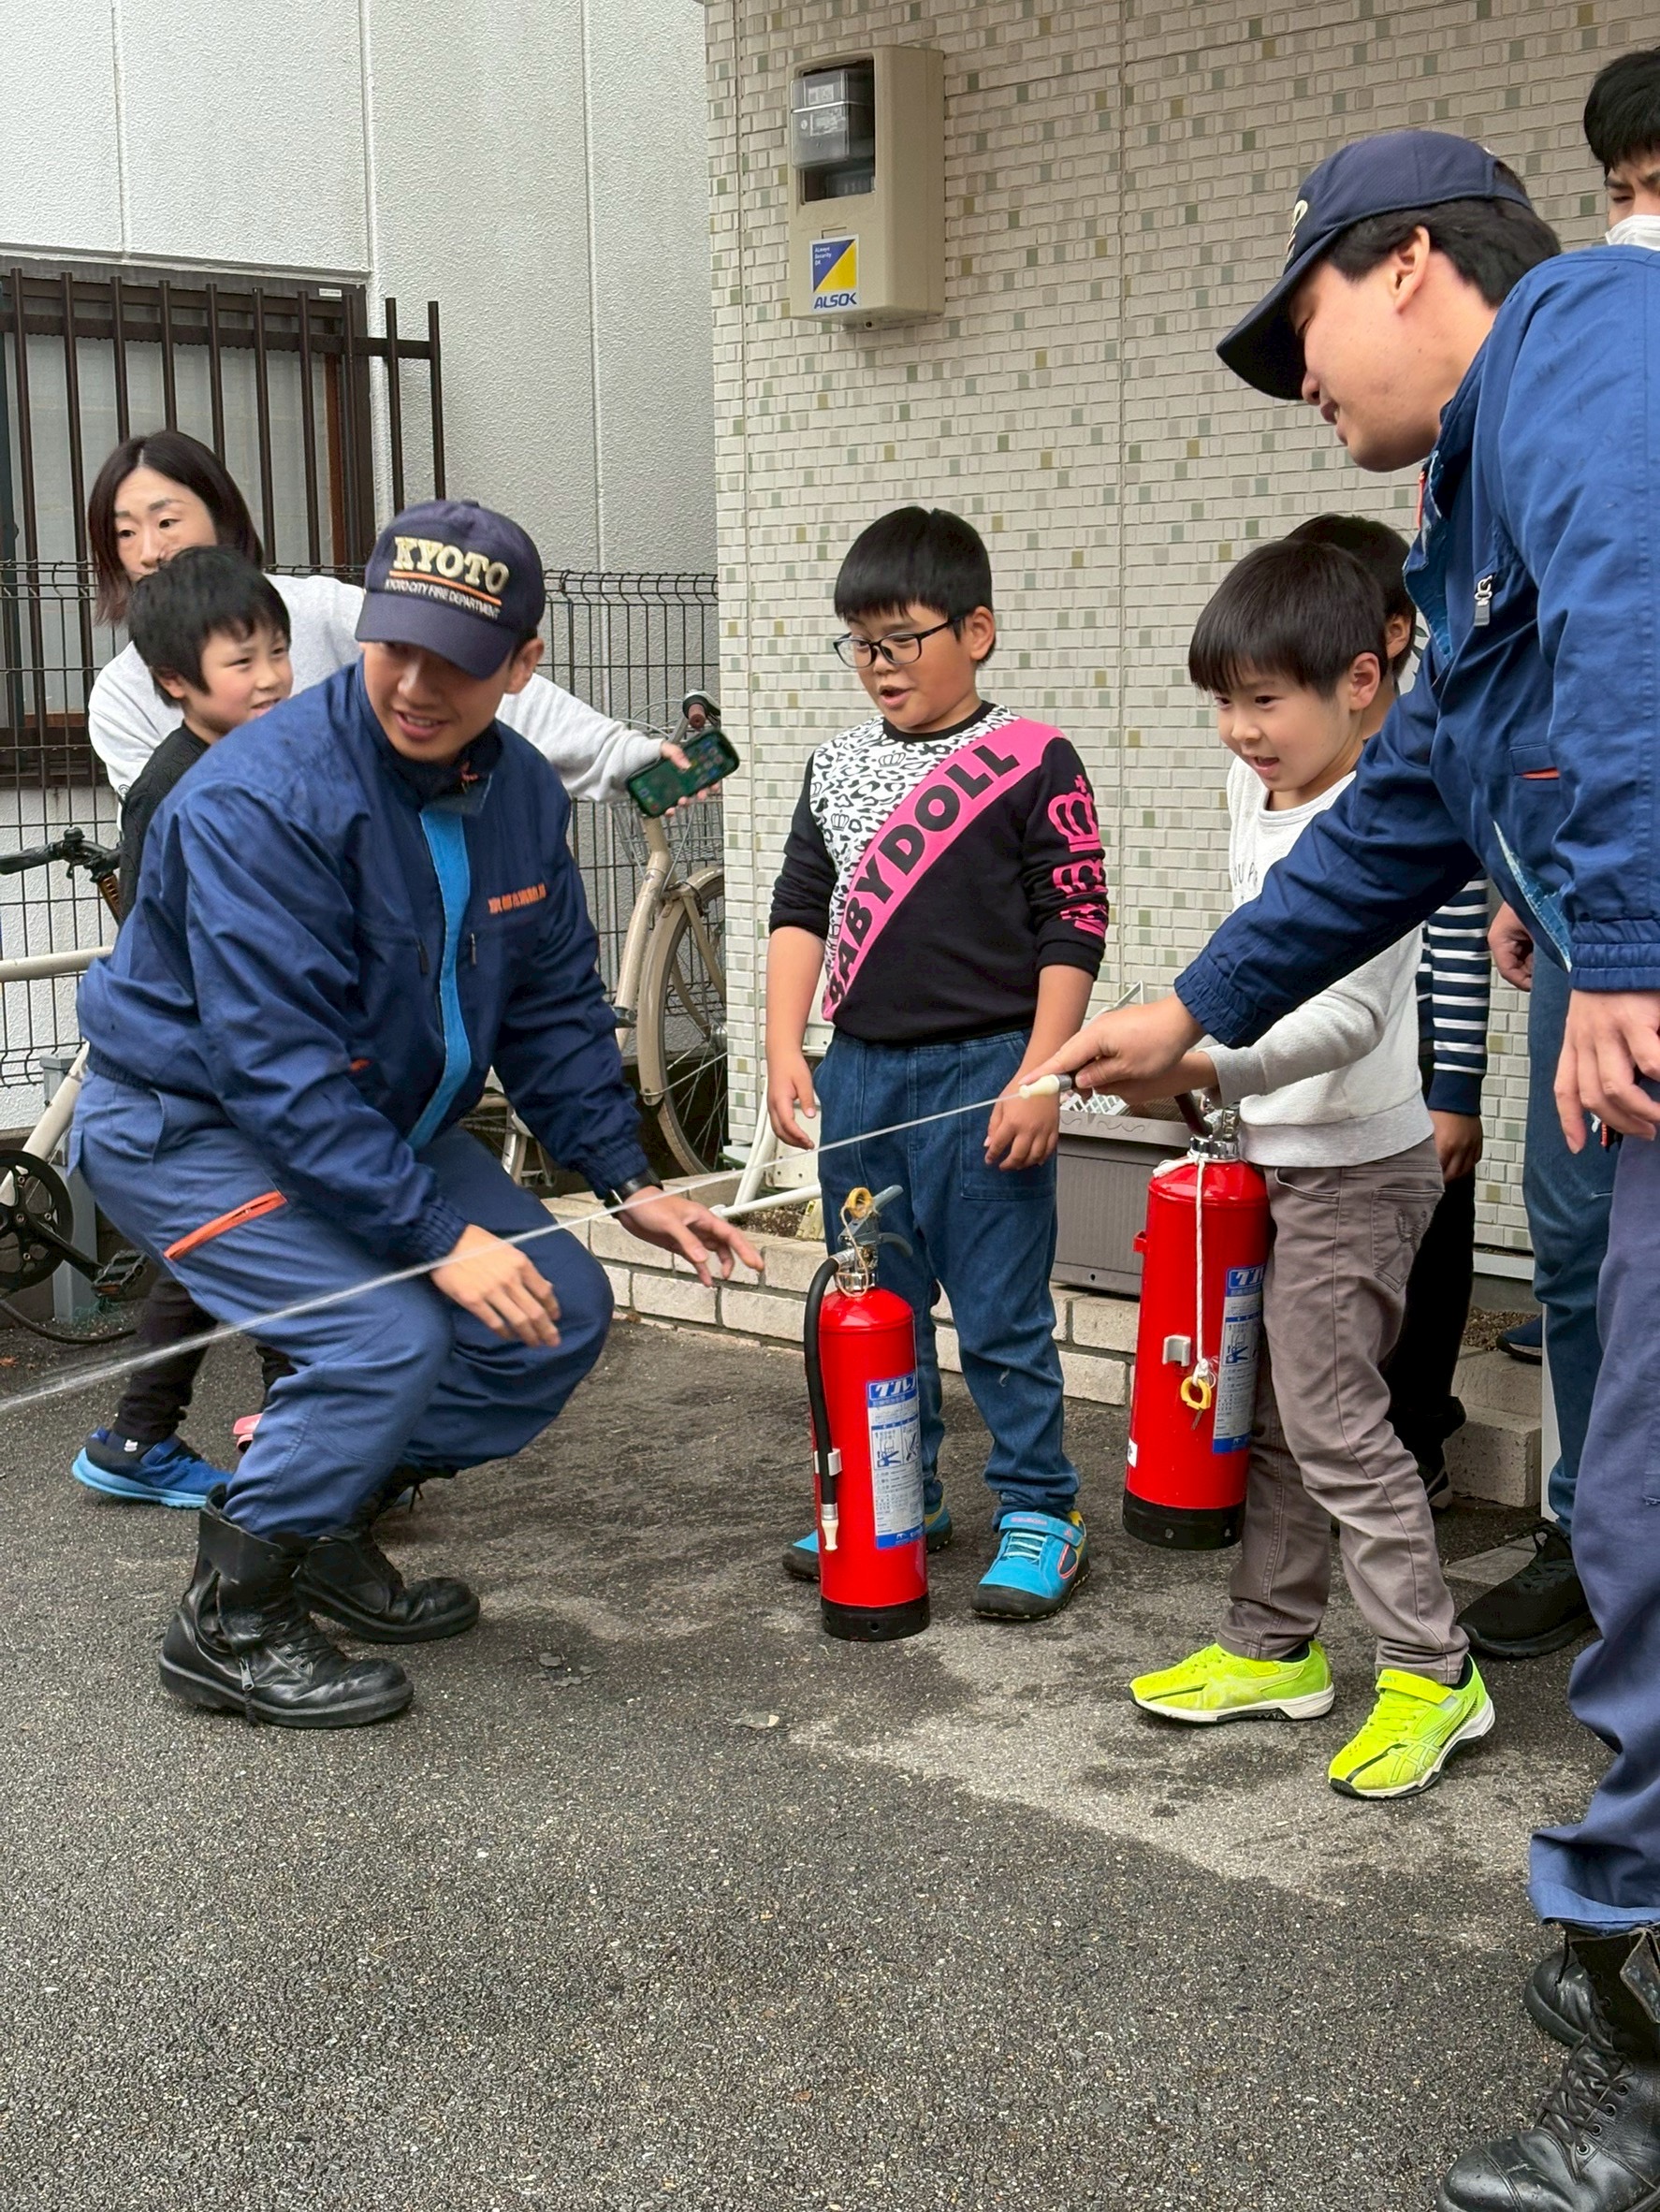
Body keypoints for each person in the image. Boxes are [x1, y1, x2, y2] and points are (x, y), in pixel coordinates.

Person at [1034, 129, 1660, 2211]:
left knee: (1646, 1511)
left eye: (1297, 320)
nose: (1295, 377)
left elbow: (1648, 596)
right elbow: (1406, 814)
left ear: (1405, 265)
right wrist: (1188, 1009)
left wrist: (1628, 947)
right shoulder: (1463, 498)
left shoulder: (1588, 334)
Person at [71, 498, 758, 1730]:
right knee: (379, 1337)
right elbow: (274, 1069)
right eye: (398, 648)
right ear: (366, 630)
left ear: (524, 663)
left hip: (375, 1117)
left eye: (463, 659)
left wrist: (628, 1179)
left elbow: (550, 1004)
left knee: (556, 1317)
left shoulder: (518, 799)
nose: (420, 685)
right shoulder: (258, 802)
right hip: (188, 1122)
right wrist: (438, 1238)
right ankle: (226, 1621)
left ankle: (320, 1515)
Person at [1125, 535, 1492, 1797]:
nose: (1238, 730)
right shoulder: (1258, 788)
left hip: (1359, 1168)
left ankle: (1430, 1670)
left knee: (1335, 1420)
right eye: (1221, 701)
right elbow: (1251, 956)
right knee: (1273, 1412)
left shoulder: (1389, 816)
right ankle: (1273, 1648)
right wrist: (1198, 1062)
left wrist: (1200, 1069)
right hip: (1274, 1150)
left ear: (1360, 677)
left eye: (1262, 700)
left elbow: (1345, 1022)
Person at [765, 505, 1107, 1620]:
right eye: (859, 643)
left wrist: (1043, 1073)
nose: (877, 666)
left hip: (989, 1070)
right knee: (878, 1302)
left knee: (1002, 1308)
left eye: (902, 639)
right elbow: (798, 909)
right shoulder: (833, 766)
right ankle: (898, 1488)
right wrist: (781, 1043)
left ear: (979, 630)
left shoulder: (1032, 758)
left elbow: (1074, 923)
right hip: (861, 1071)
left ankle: (1039, 1509)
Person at [1465, 45, 1660, 1665]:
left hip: (1621, 925)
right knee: (1579, 1236)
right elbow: (1562, 640)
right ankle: (1583, 1538)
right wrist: (1531, 871)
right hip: (1592, 913)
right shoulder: (1597, 327)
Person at [84, 428, 686, 804]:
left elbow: (476, 685)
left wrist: (617, 754)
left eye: (166, 522)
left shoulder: (319, 609)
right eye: (125, 532)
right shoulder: (120, 697)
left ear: (222, 516)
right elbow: (162, 842)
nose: (149, 550)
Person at [71, 548, 298, 1508]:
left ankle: (139, 1437)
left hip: (231, 1058)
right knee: (290, 1245)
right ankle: (301, 1465)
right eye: (242, 661)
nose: (272, 676)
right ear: (176, 682)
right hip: (207, 1065)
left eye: (277, 652)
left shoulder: (247, 754)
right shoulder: (179, 788)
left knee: (219, 1247)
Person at [1289, 513, 1491, 1514]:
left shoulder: (1427, 772)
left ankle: (1417, 1443)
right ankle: (1343, 1454)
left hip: (1413, 1083)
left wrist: (1454, 1085)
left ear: (1388, 643)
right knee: (1336, 1289)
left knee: (1427, 1265)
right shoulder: (1297, 776)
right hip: (1322, 1089)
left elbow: (1459, 941)